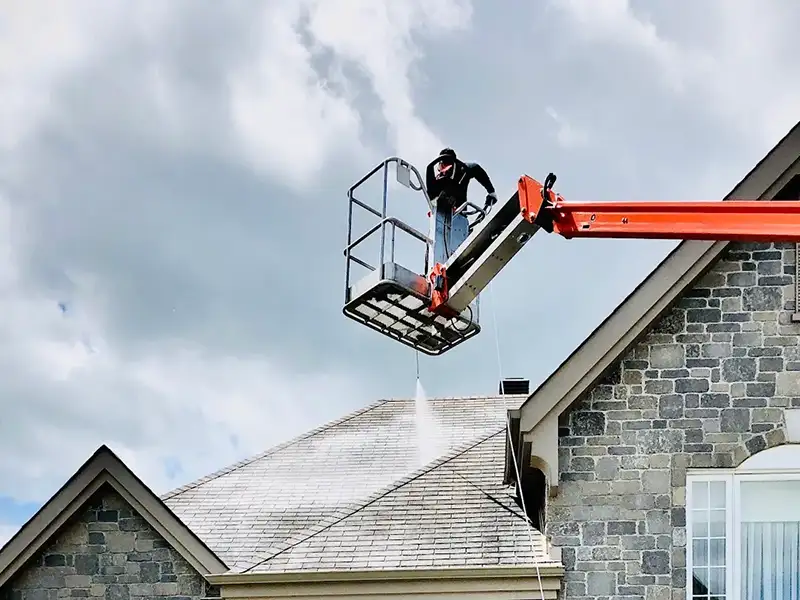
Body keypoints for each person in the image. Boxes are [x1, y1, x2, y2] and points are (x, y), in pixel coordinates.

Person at [424, 148, 498, 217]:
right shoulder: (437, 181)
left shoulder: (463, 170)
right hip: (441, 215)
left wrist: (491, 191)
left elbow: (476, 169)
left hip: (460, 215)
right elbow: (431, 196)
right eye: (443, 164)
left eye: (448, 163)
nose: (446, 168)